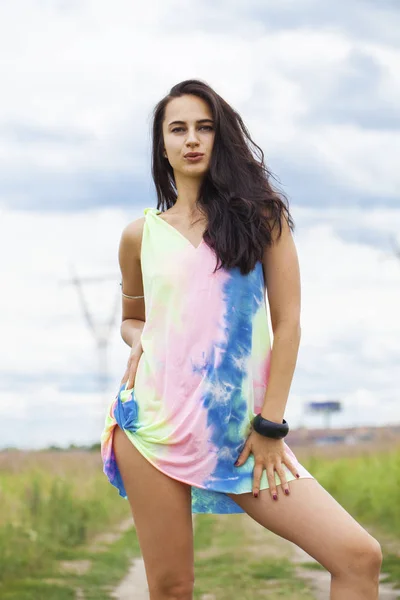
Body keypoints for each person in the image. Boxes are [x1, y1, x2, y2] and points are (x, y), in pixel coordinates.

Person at [100, 79, 382, 600]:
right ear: (161, 144)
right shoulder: (139, 235)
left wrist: (271, 424)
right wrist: (137, 339)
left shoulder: (261, 218)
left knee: (359, 557)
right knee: (171, 587)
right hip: (151, 426)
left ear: (220, 136)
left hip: (244, 432)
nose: (192, 139)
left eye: (204, 127)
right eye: (178, 128)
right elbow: (132, 317)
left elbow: (289, 322)